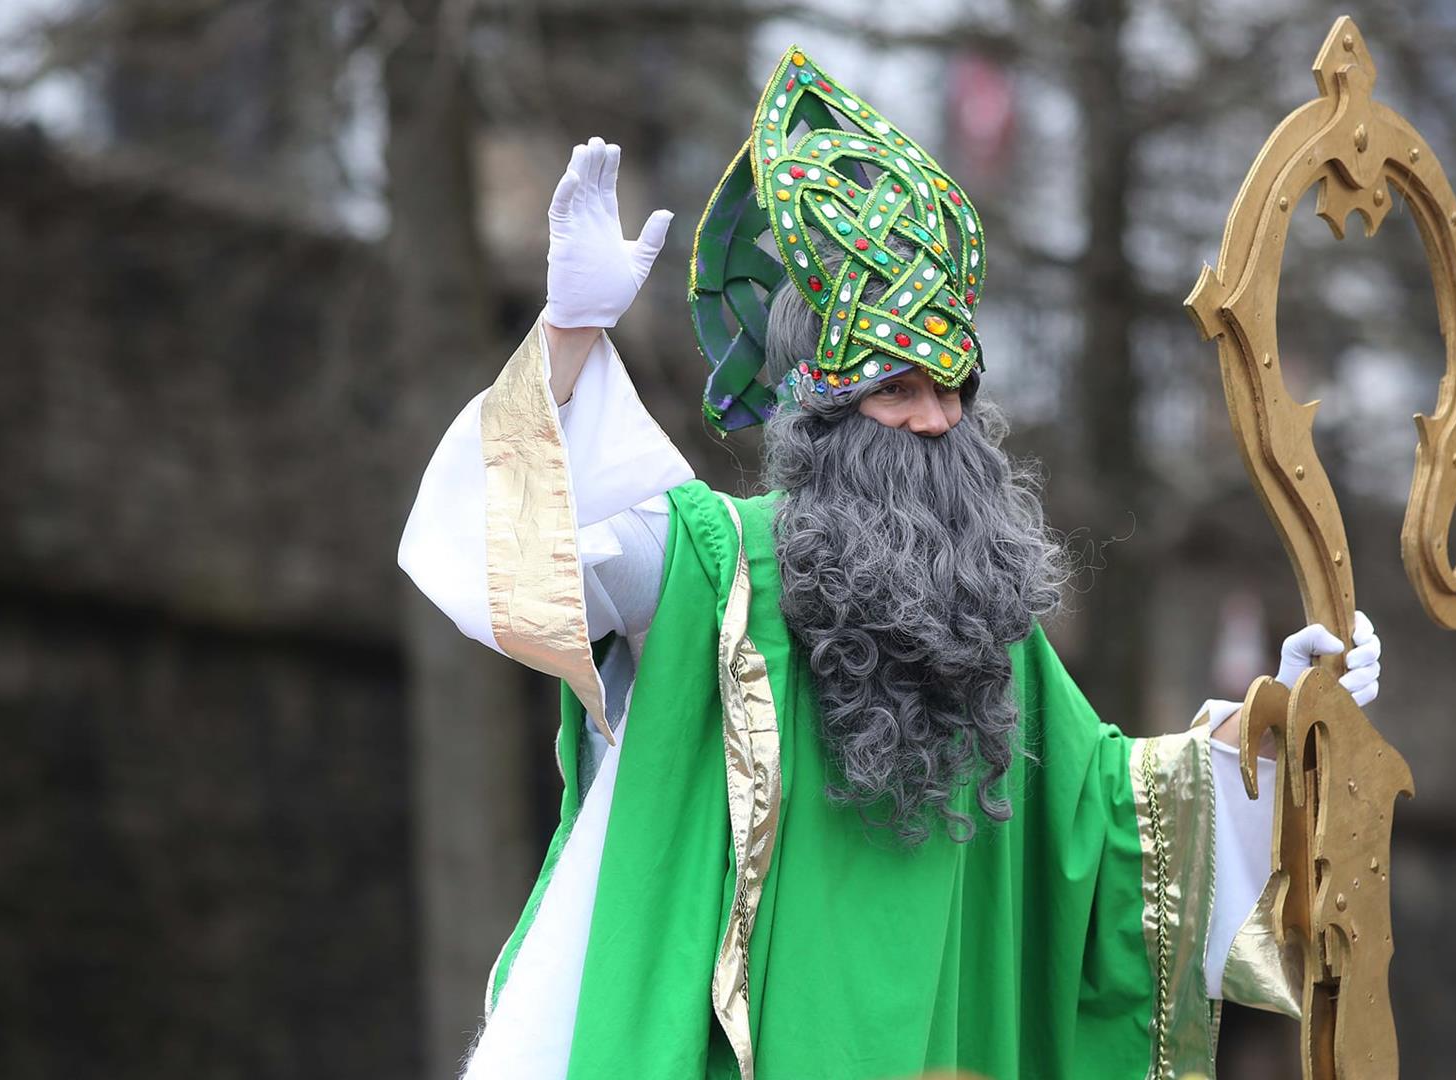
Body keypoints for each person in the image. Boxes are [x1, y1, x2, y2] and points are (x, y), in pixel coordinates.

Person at [399, 46, 1383, 1080]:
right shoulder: (711, 567)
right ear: (819, 411)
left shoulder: (983, 627)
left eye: (953, 389)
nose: (933, 421)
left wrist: (1278, 724)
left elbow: (1112, 814)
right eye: (896, 391)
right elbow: (501, 564)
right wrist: (566, 339)